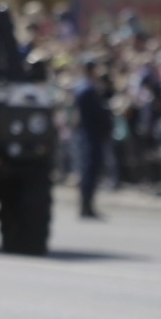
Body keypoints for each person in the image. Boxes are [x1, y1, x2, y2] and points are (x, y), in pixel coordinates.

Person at [73, 59, 113, 218]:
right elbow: (96, 113)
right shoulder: (87, 89)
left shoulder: (84, 87)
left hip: (88, 132)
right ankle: (86, 205)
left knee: (89, 170)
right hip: (91, 133)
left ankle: (87, 204)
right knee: (90, 170)